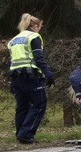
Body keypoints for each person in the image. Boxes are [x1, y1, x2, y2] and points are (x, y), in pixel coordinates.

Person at [7, 13, 55, 144]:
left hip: (16, 77)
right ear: (35, 26)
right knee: (40, 103)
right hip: (30, 76)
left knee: (22, 107)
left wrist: (11, 82)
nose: (40, 29)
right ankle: (26, 134)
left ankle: (20, 134)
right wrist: (48, 74)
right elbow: (38, 58)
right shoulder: (34, 37)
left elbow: (10, 61)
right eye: (40, 27)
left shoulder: (13, 40)